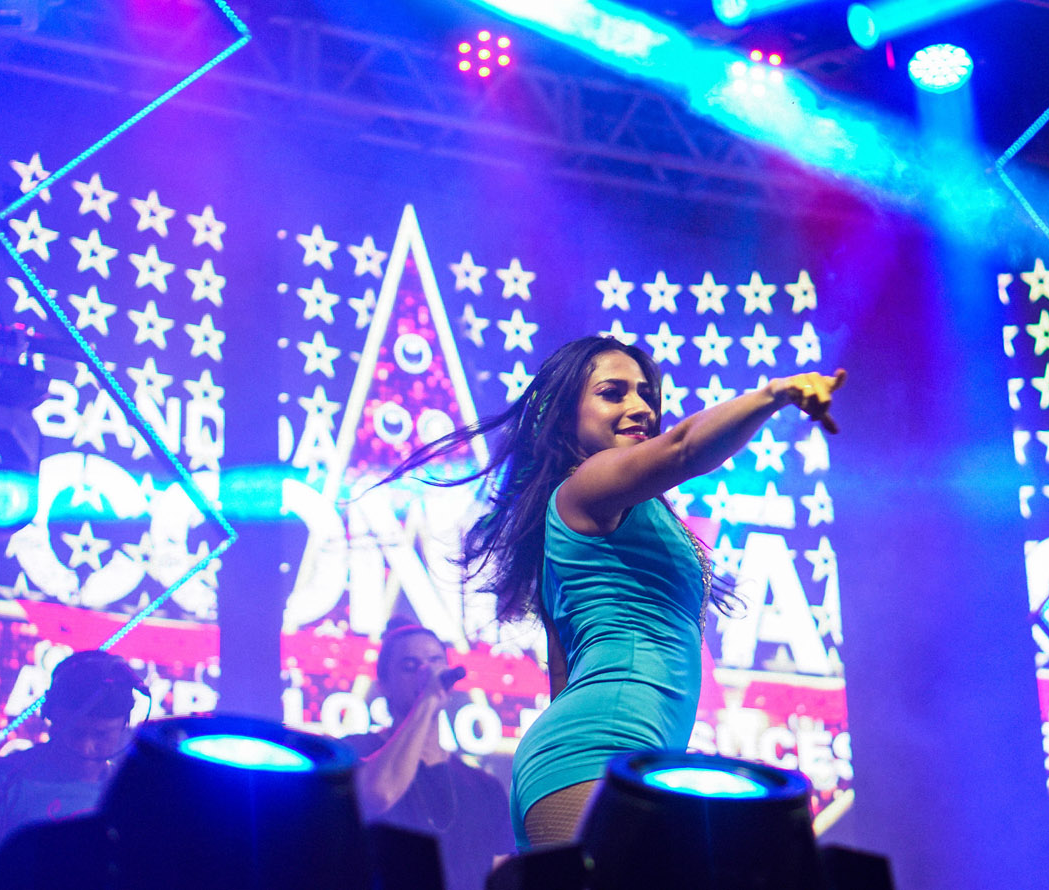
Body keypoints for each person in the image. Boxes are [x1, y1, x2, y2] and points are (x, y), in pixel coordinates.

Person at [381, 335, 844, 849]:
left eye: (645, 393)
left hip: (609, 758)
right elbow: (683, 448)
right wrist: (776, 393)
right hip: (593, 754)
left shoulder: (609, 513)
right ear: (564, 418)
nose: (640, 407)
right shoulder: (588, 483)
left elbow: (563, 678)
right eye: (612, 393)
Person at [0, 650, 146, 890]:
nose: (86, 747)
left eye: (102, 735)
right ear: (49, 716)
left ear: (124, 725)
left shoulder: (133, 795)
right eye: (75, 732)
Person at [344, 622, 510, 890]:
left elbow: (501, 876)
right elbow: (379, 794)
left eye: (435, 662)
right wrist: (428, 699)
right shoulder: (358, 751)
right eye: (410, 666)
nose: (427, 672)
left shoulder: (485, 787)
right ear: (383, 684)